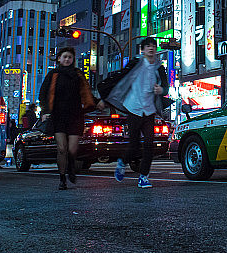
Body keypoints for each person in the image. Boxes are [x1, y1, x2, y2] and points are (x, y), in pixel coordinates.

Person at [99, 37, 169, 188]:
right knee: (134, 145)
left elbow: (166, 87)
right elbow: (120, 77)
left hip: (149, 110)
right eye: (148, 46)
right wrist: (105, 98)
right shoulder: (135, 63)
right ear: (142, 50)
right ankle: (122, 162)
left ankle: (143, 177)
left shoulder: (159, 68)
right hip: (134, 108)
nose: (151, 49)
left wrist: (161, 90)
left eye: (153, 46)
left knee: (150, 145)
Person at [39, 46, 104, 190]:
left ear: (73, 59)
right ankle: (62, 178)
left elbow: (85, 92)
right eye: (65, 57)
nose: (67, 59)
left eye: (70, 57)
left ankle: (71, 167)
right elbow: (43, 93)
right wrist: (45, 111)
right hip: (58, 115)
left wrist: (96, 102)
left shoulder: (78, 74)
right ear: (59, 59)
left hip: (75, 114)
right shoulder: (53, 74)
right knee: (61, 149)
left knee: (73, 149)